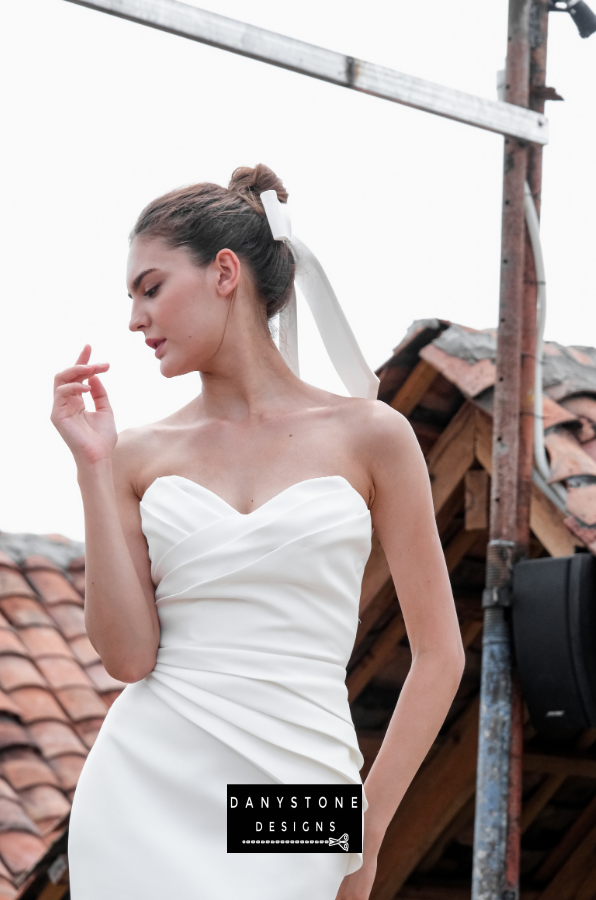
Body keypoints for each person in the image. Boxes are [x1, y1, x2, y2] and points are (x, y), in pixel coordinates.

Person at [51, 164, 464, 900]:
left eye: (151, 288)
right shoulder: (135, 456)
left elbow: (440, 654)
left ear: (225, 273)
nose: (135, 319)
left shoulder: (373, 435)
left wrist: (364, 836)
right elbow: (127, 657)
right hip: (146, 785)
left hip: (301, 784)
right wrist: (91, 467)